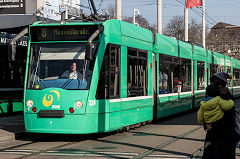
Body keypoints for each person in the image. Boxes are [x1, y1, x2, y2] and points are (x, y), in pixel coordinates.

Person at [201, 72, 240, 159]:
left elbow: (229, 119)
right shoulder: (212, 95)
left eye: (213, 83)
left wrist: (212, 126)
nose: (211, 84)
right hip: (212, 137)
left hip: (224, 139)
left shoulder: (226, 98)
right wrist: (206, 124)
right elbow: (204, 112)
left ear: (220, 84)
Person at [198, 84, 234, 158]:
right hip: (219, 123)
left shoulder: (203, 103)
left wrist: (204, 123)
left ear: (207, 94)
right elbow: (227, 106)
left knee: (209, 151)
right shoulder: (218, 100)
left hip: (210, 126)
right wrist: (231, 101)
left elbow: (200, 117)